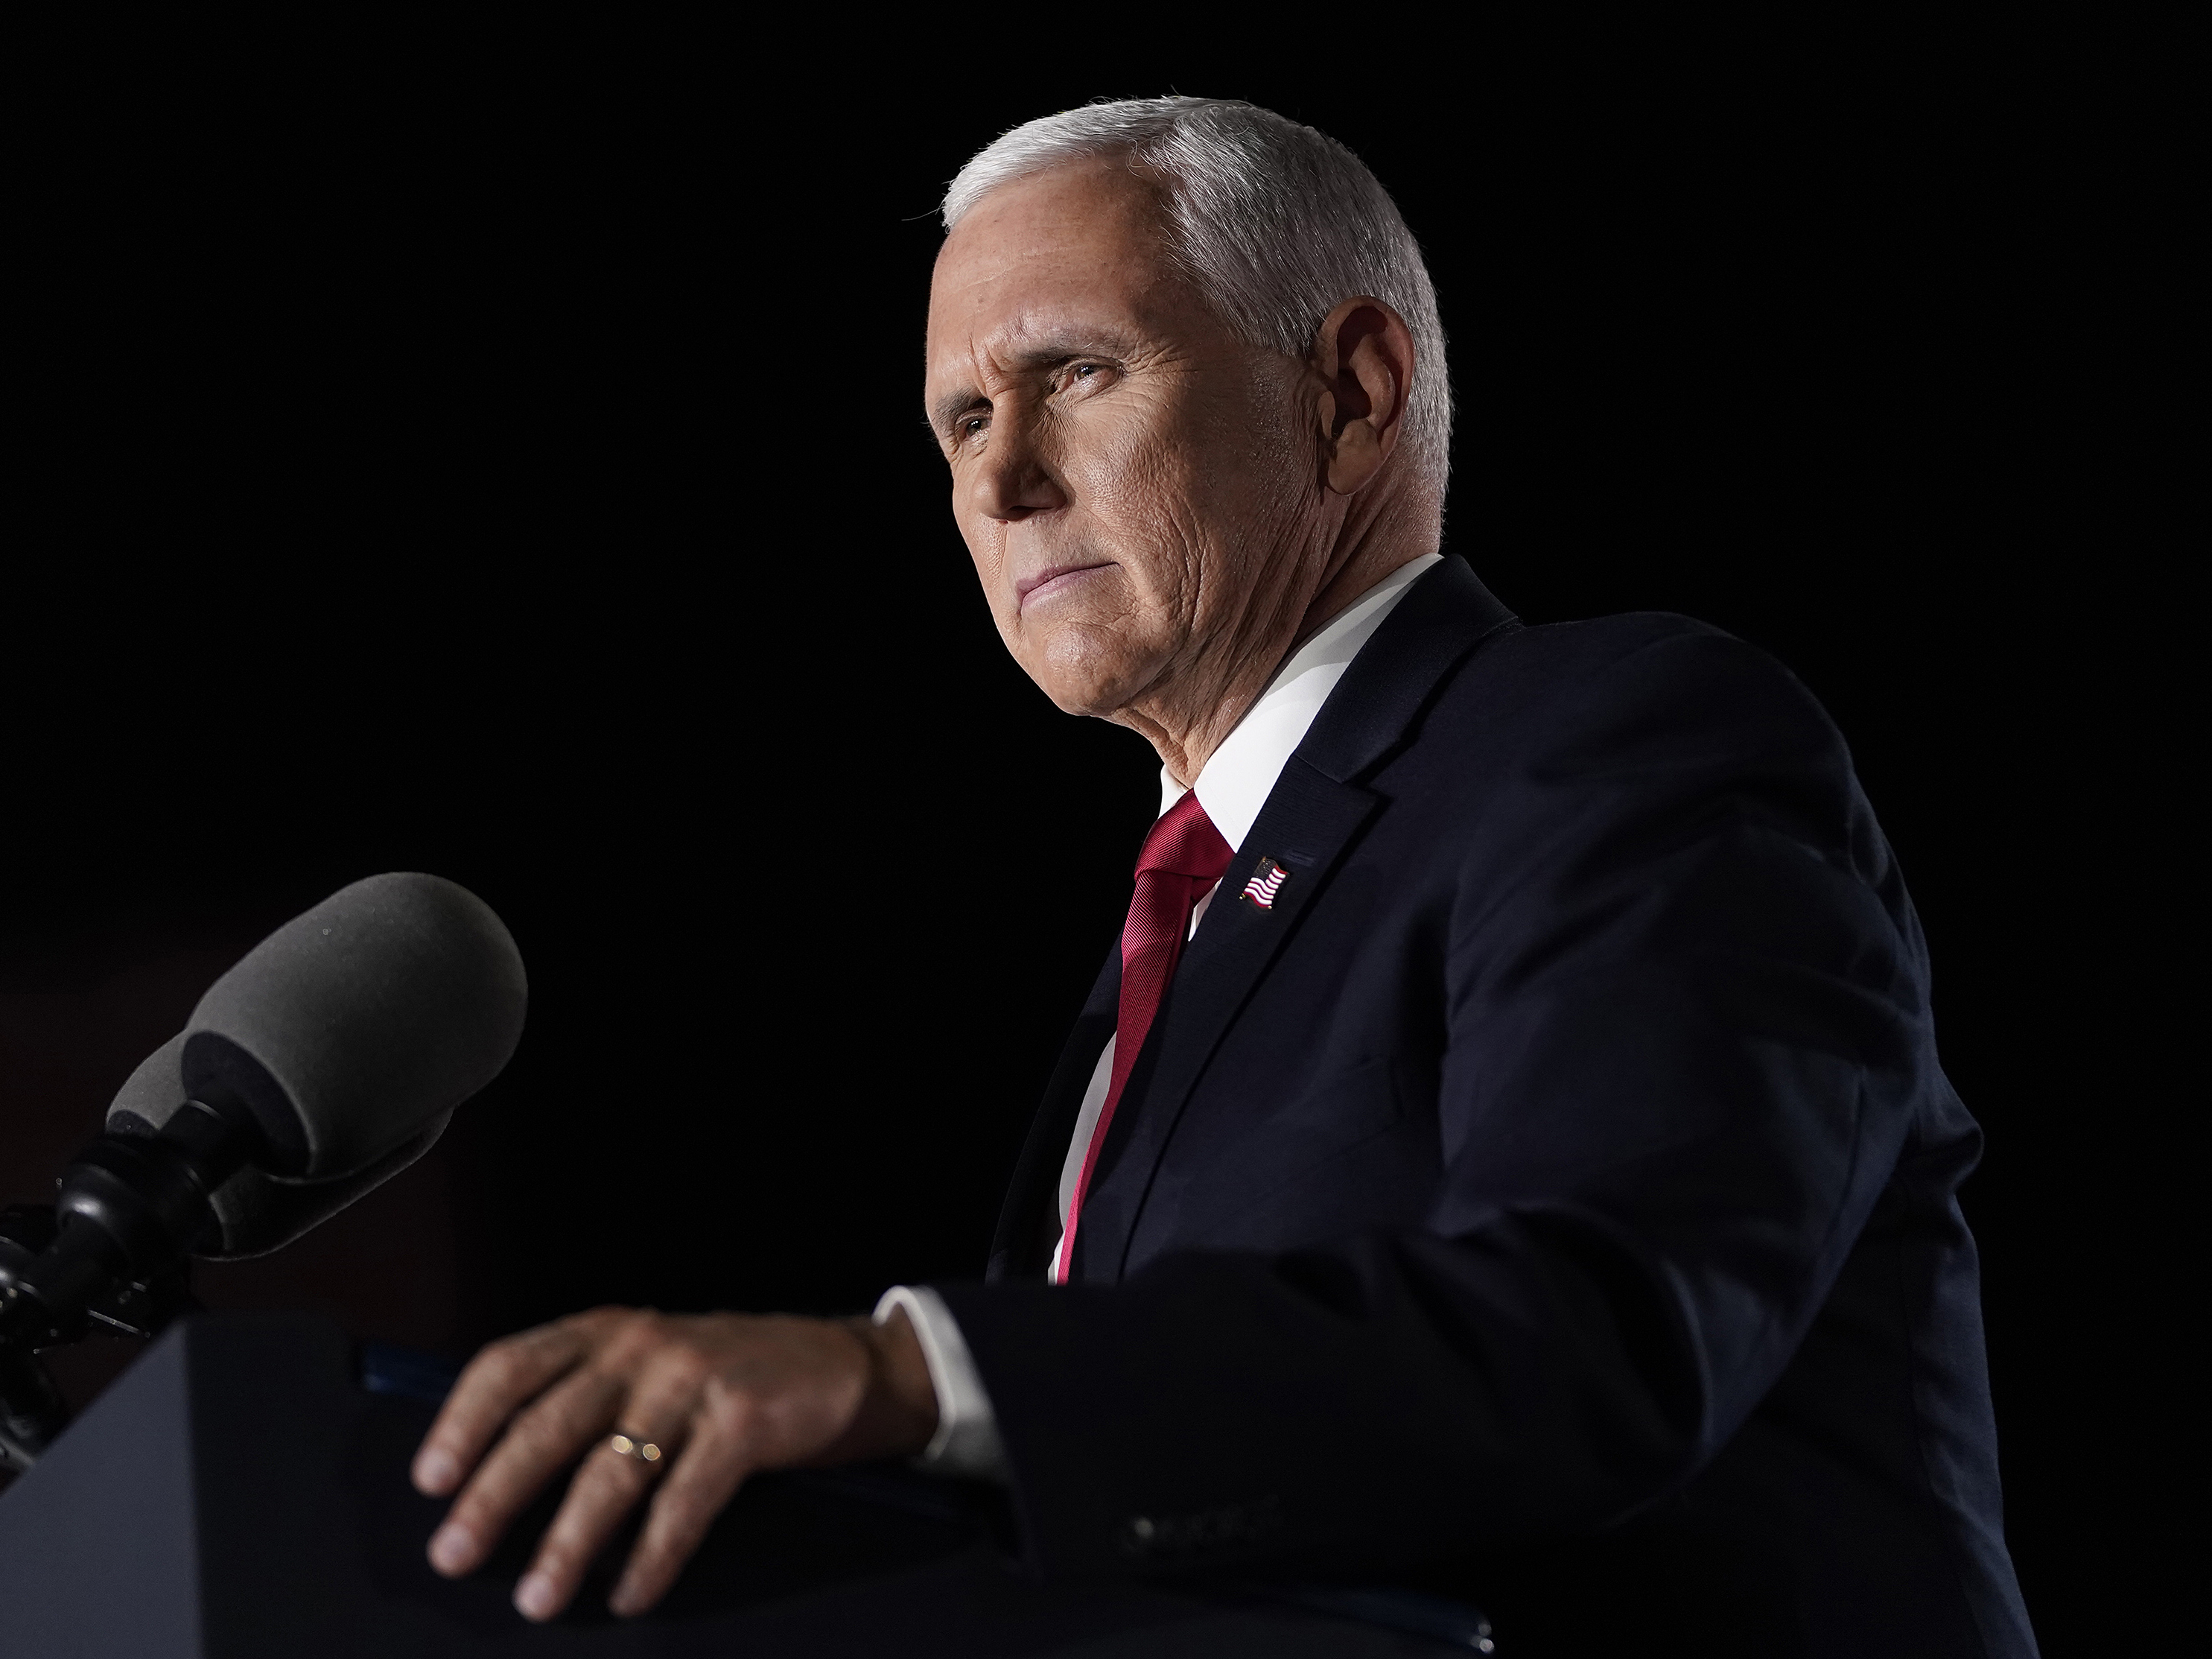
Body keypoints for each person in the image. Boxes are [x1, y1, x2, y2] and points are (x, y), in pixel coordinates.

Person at [410, 98, 2035, 1655]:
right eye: (962, 420)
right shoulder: (1177, 939)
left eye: (1075, 372)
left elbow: (1600, 1332)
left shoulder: (1623, 744)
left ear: (1352, 391)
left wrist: (910, 1375)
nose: (1000, 479)